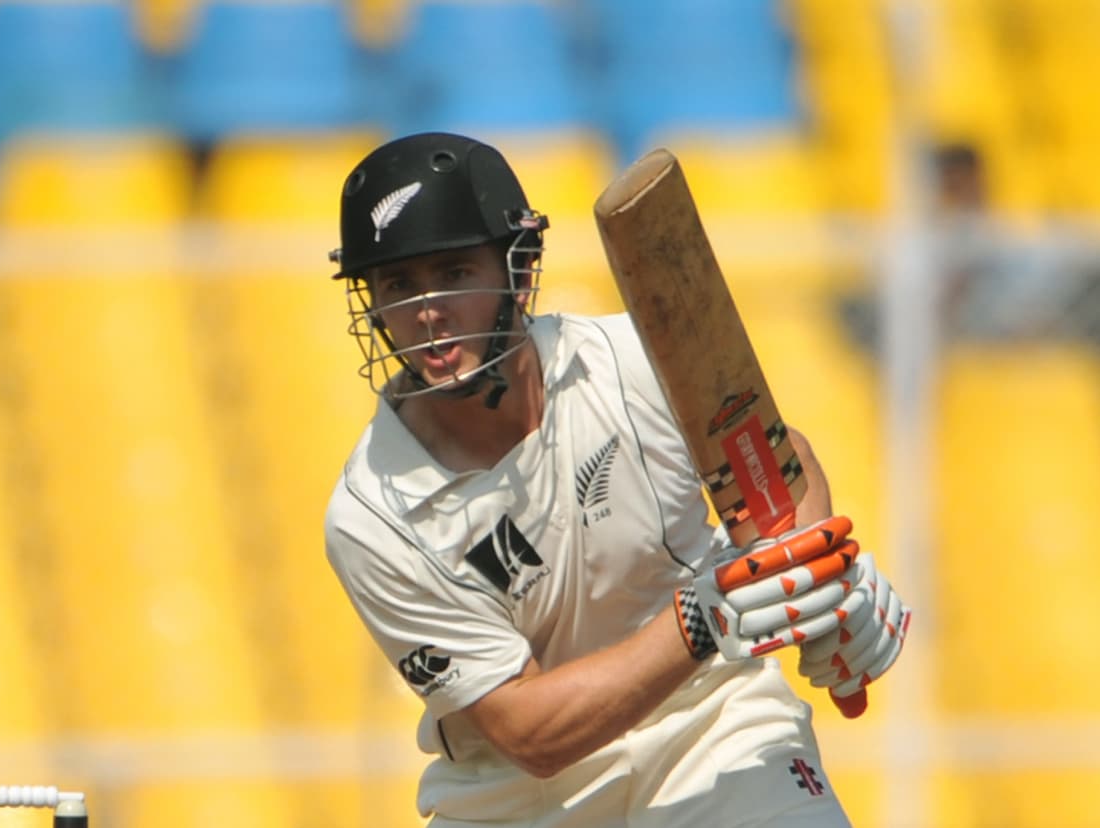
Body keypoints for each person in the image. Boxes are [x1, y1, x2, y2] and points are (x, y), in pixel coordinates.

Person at [320, 133, 910, 827]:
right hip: (516, 799)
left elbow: (775, 460)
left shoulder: (634, 358)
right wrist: (707, 613)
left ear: (520, 269)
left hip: (713, 723)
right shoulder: (372, 517)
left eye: (453, 273)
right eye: (398, 285)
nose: (427, 310)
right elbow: (528, 732)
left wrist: (816, 580)